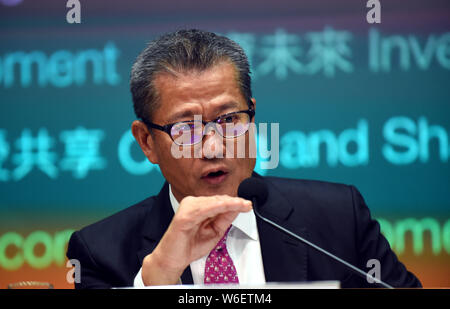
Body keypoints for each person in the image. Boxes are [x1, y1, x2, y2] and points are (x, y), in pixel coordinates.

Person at [66, 29, 421, 289]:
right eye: (186, 128)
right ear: (147, 142)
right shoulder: (100, 253)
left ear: (252, 117)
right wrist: (156, 281)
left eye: (228, 120)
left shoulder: (339, 217)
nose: (213, 147)